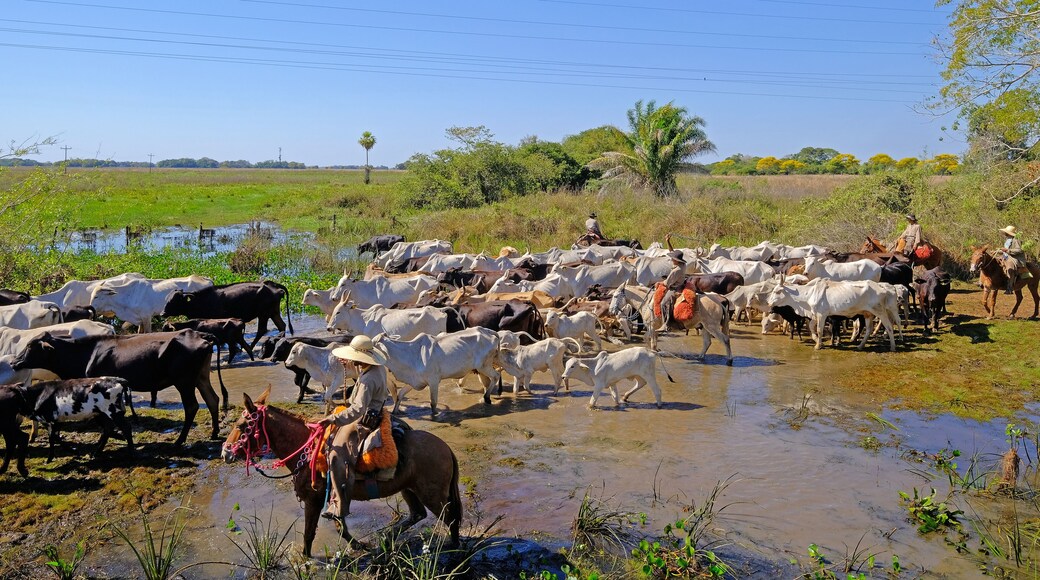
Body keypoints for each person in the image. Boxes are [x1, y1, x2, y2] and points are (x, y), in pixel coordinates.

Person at [318, 335, 392, 521]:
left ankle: (339, 505)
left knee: (335, 454)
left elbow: (358, 409)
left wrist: (333, 419)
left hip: (364, 421)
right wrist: (351, 364)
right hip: (377, 410)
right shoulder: (376, 368)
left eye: (353, 357)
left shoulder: (368, 380)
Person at [998, 225, 1026, 294]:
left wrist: (1007, 250)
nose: (1004, 233)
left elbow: (1019, 250)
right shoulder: (1007, 239)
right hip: (1006, 256)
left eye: (1006, 232)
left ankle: (1009, 287)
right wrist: (997, 251)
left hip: (1015, 258)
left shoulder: (1016, 240)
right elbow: (1005, 250)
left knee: (1010, 267)